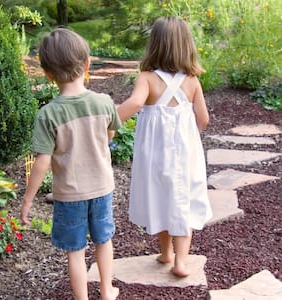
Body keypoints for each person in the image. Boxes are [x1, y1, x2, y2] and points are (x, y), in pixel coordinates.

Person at [20, 28, 121, 300]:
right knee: (103, 240)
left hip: (69, 195)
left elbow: (42, 160)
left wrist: (28, 199)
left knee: (75, 251)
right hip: (101, 188)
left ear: (48, 74)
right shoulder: (104, 103)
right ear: (87, 64)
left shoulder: (48, 114)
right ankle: (107, 291)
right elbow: (109, 135)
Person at [117, 16, 212, 277]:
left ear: (154, 45)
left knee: (160, 197)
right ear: (186, 46)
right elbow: (203, 119)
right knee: (183, 200)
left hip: (154, 155)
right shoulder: (192, 81)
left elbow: (135, 104)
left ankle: (167, 253)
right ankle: (181, 260)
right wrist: (189, 136)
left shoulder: (147, 78)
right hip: (186, 154)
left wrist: (110, 122)